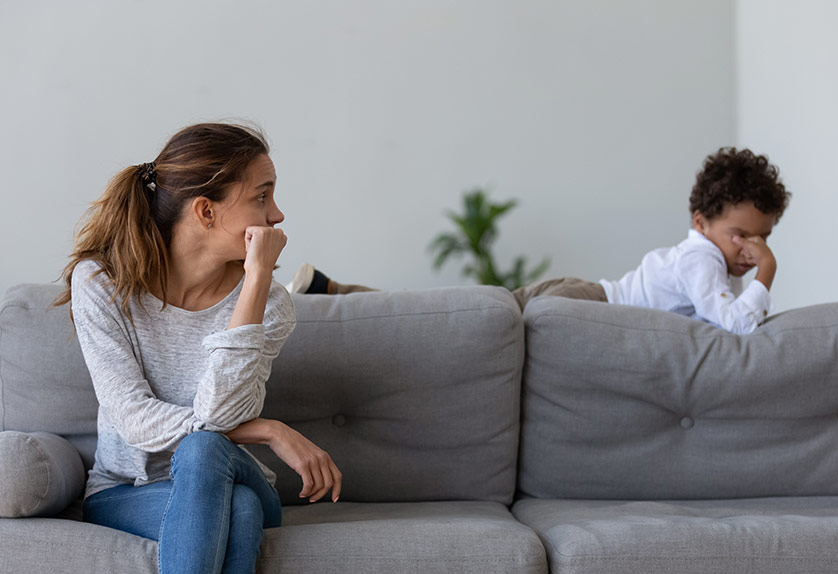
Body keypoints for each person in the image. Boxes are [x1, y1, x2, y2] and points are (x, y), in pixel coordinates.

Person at [54, 122, 342, 574]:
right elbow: (133, 420)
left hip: (232, 470)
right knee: (239, 509)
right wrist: (266, 430)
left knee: (203, 450)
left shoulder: (271, 304)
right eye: (262, 196)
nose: (278, 215)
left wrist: (258, 281)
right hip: (126, 490)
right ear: (206, 211)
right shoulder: (102, 284)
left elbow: (220, 416)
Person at [290, 147, 791, 335]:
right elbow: (737, 328)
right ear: (701, 223)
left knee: (456, 318)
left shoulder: (706, 259)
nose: (751, 248)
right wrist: (766, 272)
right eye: (740, 235)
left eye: (763, 237)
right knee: (458, 322)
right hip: (583, 302)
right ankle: (333, 300)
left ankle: (333, 293)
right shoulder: (702, 261)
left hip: (579, 294)